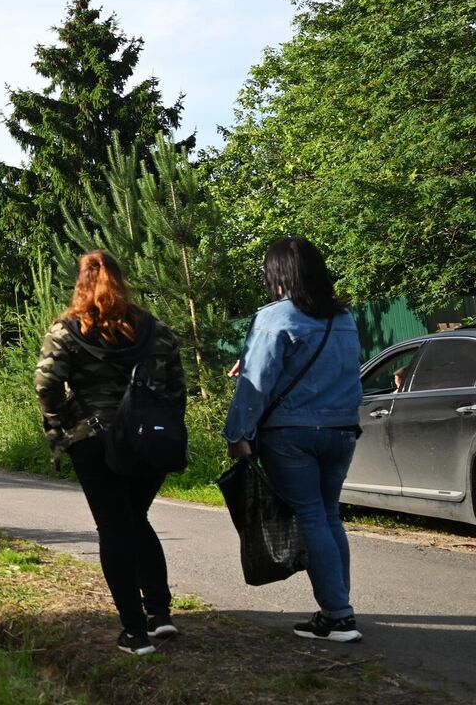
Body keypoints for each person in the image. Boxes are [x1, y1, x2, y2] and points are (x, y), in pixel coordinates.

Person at [35, 251, 187, 656]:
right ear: (121, 281)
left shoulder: (67, 331)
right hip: (148, 442)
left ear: (80, 284)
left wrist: (61, 424)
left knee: (115, 529)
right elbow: (176, 388)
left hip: (95, 439)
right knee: (136, 519)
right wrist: (164, 425)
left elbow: (45, 384)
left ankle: (134, 633)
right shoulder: (157, 331)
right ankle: (160, 614)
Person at [224, 236, 364, 643]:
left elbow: (255, 387)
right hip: (341, 430)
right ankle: (339, 608)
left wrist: (238, 434)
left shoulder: (273, 318)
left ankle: (338, 616)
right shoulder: (344, 318)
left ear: (279, 274)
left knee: (311, 517)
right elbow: (331, 372)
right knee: (328, 515)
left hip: (291, 434)